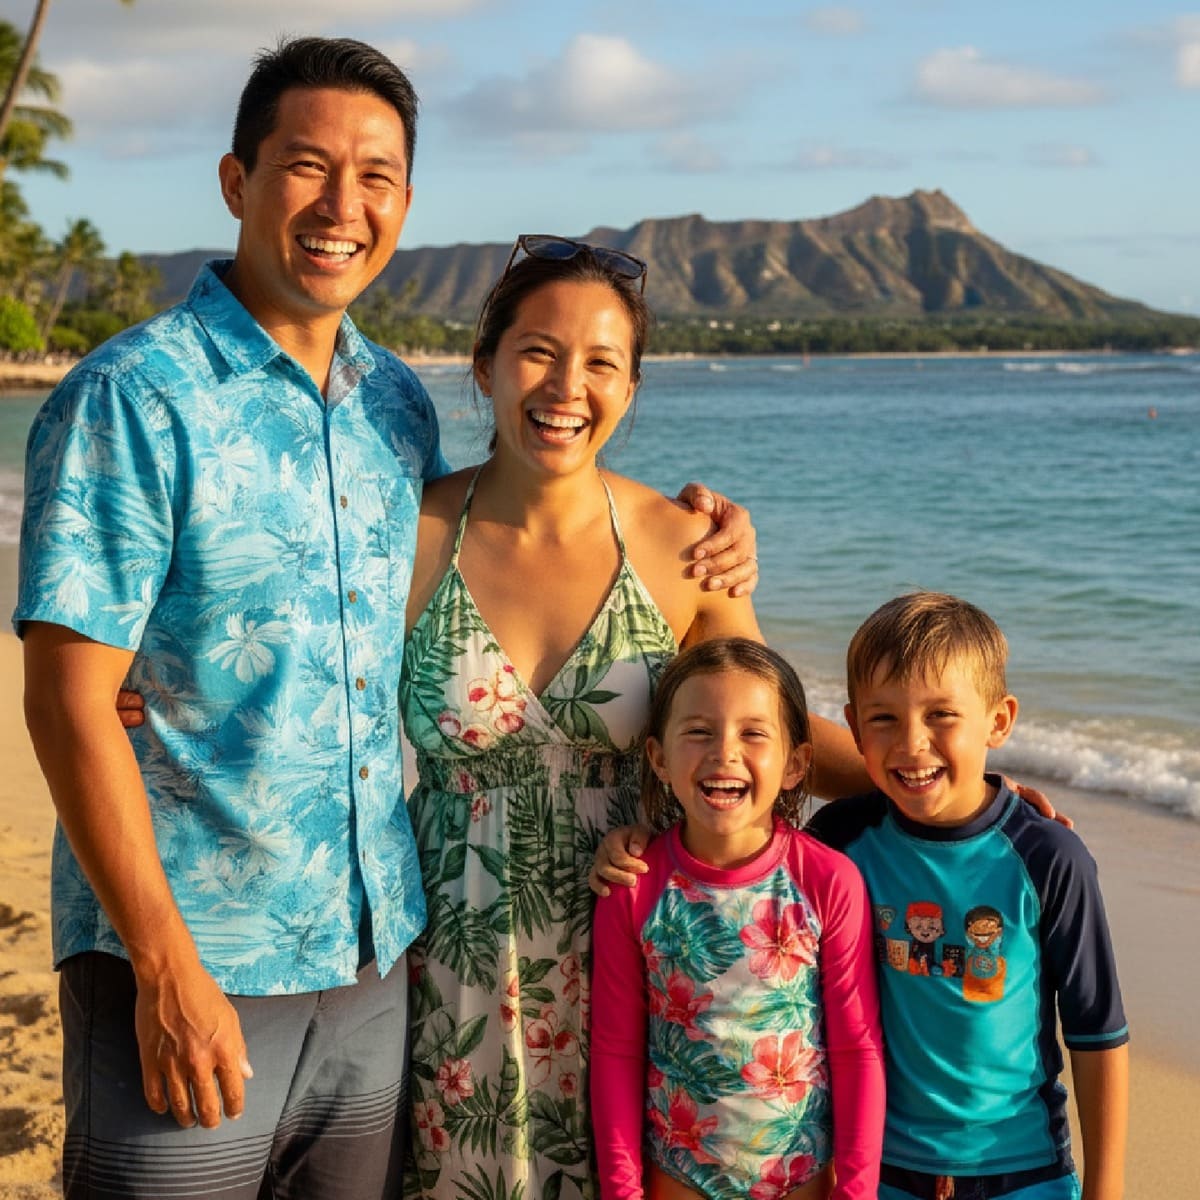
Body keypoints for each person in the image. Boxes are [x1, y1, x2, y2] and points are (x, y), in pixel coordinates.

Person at [16, 39, 756, 1200]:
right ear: (237, 182)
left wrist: (704, 533)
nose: (340, 206)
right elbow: (66, 701)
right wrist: (163, 967)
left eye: (375, 177)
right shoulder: (135, 394)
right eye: (307, 166)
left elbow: (461, 570)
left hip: (378, 967)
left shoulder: (392, 407)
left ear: (406, 203)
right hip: (196, 957)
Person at [398, 240, 869, 1199]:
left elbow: (770, 735)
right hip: (453, 963)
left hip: (649, 958)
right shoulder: (408, 532)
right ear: (485, 364)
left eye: (601, 362)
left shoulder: (682, 547)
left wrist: (957, 795)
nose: (566, 387)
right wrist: (141, 692)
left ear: (632, 387)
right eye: (538, 351)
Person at [805, 592, 1128, 1200]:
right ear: (853, 726)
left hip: (1024, 1169)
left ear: (998, 721)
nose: (911, 743)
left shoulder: (1048, 857)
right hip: (878, 1169)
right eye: (883, 718)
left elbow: (1097, 1032)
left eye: (941, 715)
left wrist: (1104, 1191)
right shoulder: (839, 842)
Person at [589, 638, 885, 1200]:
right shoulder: (633, 886)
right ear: (658, 757)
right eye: (699, 731)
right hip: (679, 1177)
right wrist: (622, 1192)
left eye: (753, 733)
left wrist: (858, 1191)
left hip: (801, 1176)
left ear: (795, 763)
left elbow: (857, 1049)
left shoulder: (827, 881)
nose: (724, 752)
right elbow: (616, 1050)